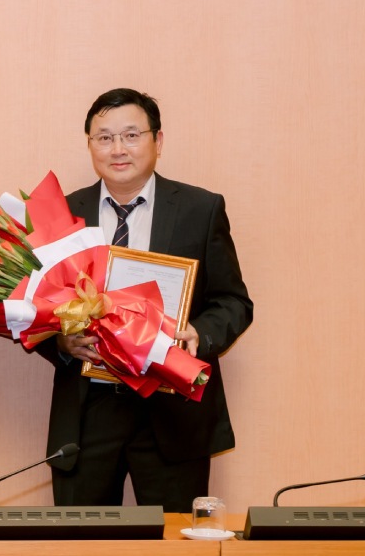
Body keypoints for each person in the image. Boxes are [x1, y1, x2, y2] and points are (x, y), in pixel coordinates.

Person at [40, 88, 253, 513]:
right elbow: (38, 307)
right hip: (89, 408)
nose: (118, 149)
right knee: (82, 542)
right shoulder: (63, 213)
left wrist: (199, 334)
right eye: (104, 138)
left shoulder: (200, 208)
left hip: (171, 408)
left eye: (131, 135)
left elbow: (233, 301)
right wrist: (61, 343)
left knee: (176, 539)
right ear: (90, 145)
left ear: (157, 141)